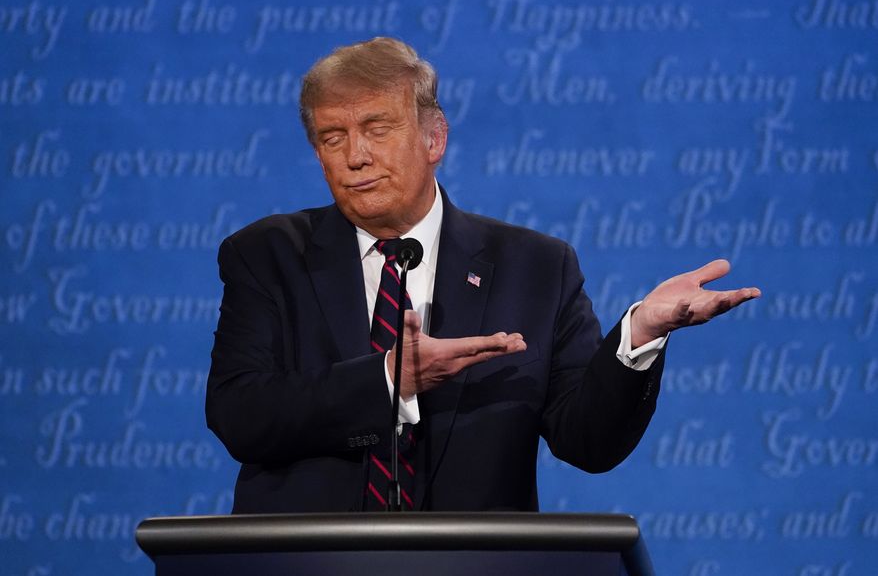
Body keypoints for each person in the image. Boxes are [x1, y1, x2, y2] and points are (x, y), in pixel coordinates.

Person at [206, 37, 759, 513]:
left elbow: (587, 442)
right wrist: (386, 380)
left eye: (377, 128)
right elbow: (240, 414)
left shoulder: (537, 267)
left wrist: (639, 335)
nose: (355, 156)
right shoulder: (268, 255)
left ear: (433, 139)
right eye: (332, 137)